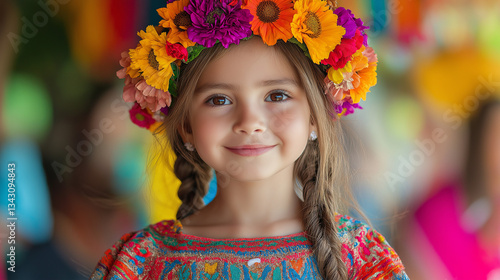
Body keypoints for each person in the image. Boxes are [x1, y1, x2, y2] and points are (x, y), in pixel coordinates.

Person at [90, 0, 408, 278]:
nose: (250, 123)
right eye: (219, 100)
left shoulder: (365, 260)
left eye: (277, 95)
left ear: (315, 115)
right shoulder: (138, 263)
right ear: (186, 125)